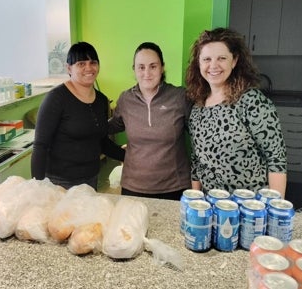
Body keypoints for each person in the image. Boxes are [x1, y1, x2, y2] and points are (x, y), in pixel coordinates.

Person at [185, 27, 287, 197]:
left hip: (250, 207)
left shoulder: (251, 101)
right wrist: (196, 200)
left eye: (222, 58)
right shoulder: (198, 107)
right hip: (211, 205)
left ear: (234, 61)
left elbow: (276, 159)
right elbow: (197, 161)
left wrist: (274, 209)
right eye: (207, 59)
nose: (213, 65)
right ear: (199, 63)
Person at [31, 41, 124, 190]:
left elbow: (101, 141)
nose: (89, 68)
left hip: (91, 179)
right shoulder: (56, 98)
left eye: (93, 62)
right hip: (59, 183)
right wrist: (37, 187)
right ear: (69, 68)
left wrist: (131, 157)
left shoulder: (101, 100)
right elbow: (40, 146)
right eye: (81, 64)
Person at [108, 42, 191, 200]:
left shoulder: (180, 97)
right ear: (134, 69)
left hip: (174, 186)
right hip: (133, 186)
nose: (147, 73)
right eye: (141, 67)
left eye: (153, 66)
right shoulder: (125, 99)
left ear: (162, 67)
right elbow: (109, 127)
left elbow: (200, 135)